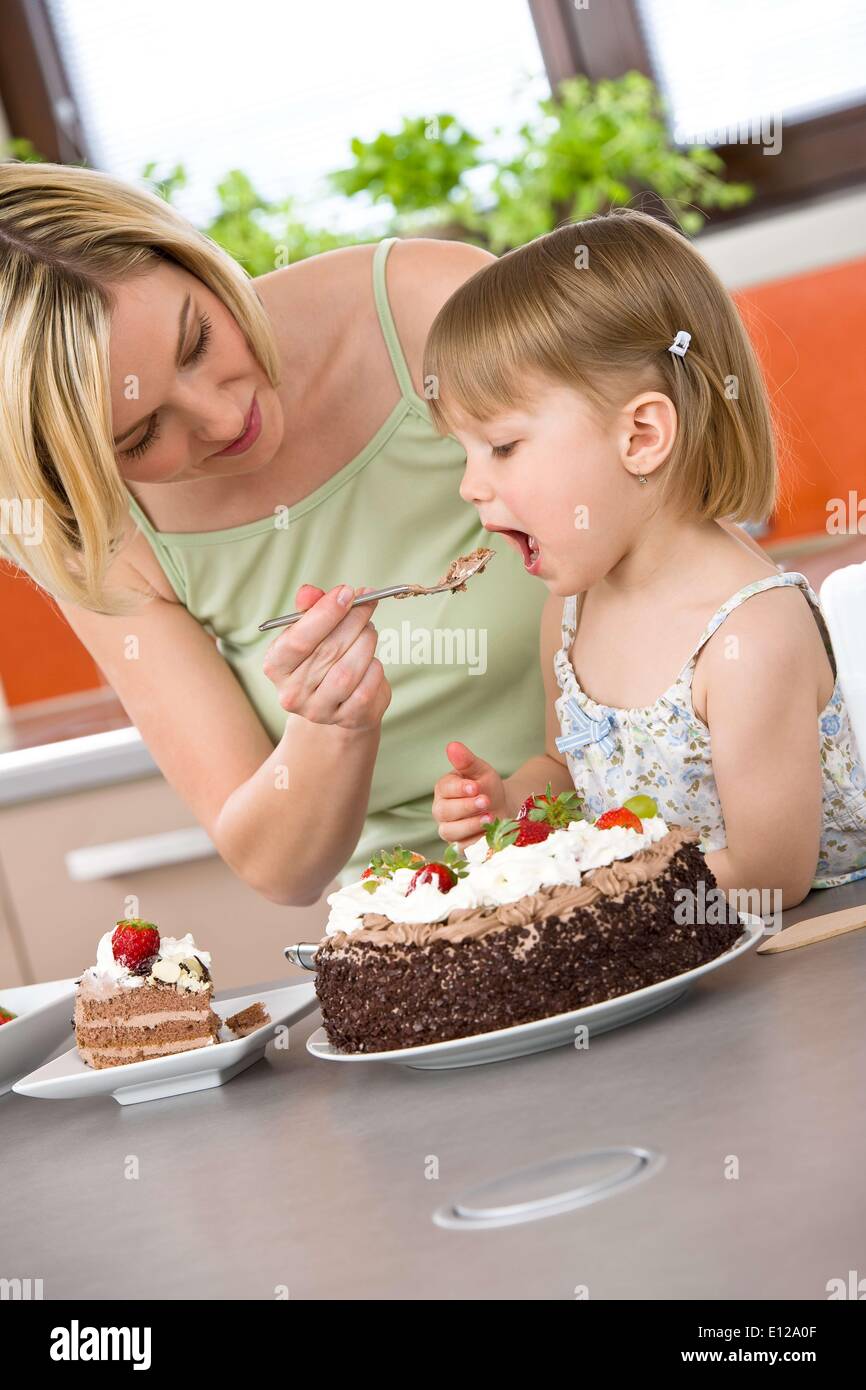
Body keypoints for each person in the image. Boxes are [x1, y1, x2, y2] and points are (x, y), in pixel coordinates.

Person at [0, 160, 551, 903]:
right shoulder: (97, 532)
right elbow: (281, 870)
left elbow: (668, 559)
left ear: (187, 256)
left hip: (651, 822)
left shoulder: (426, 309)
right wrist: (330, 731)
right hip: (423, 924)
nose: (224, 420)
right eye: (139, 436)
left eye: (195, 342)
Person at [429, 208, 866, 905]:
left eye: (503, 446)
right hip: (664, 948)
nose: (469, 485)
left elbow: (770, 873)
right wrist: (510, 797)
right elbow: (566, 770)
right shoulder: (570, 612)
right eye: (465, 452)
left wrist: (591, 900)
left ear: (640, 436)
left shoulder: (749, 637)